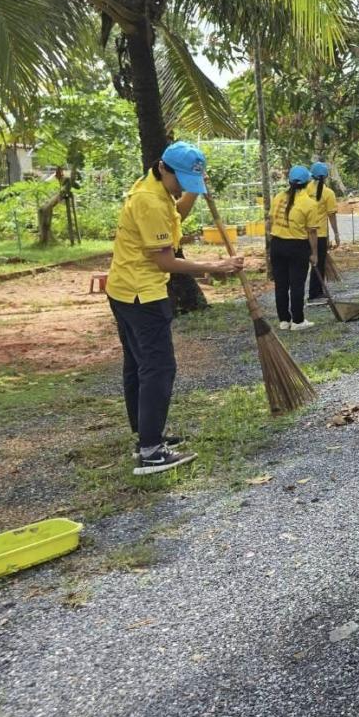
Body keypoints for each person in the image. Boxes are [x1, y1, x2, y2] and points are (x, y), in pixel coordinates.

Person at [107, 142, 244, 475]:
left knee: (139, 366)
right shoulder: (149, 200)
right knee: (159, 368)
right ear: (163, 168)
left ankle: (146, 436)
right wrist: (216, 266)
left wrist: (194, 190)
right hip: (142, 294)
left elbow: (175, 216)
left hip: (124, 289)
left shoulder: (155, 188)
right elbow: (166, 261)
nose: (183, 187)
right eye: (181, 180)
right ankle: (152, 452)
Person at [269, 165, 319, 331]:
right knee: (297, 284)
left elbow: (271, 220)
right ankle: (298, 321)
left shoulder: (278, 197)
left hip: (276, 244)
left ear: (289, 180)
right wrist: (314, 254)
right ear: (307, 182)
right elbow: (312, 232)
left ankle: (284, 320)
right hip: (297, 246)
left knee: (281, 284)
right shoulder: (309, 203)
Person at [306, 161, 341, 306]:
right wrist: (336, 234)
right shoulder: (328, 193)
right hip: (319, 234)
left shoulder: (305, 189)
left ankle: (316, 291)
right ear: (326, 176)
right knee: (318, 264)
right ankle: (315, 294)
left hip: (303, 234)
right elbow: (331, 215)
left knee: (310, 264)